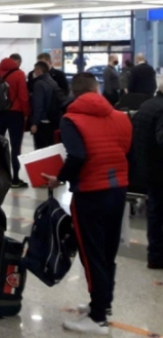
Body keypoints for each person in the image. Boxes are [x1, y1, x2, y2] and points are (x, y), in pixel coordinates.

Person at [43, 73, 131, 335]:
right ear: (97, 89)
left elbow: (77, 156)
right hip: (118, 188)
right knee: (108, 252)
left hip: (91, 193)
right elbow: (126, 149)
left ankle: (97, 318)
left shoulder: (71, 119)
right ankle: (103, 303)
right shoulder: (121, 117)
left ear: (75, 92)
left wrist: (59, 178)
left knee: (92, 255)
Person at [131, 78, 163, 270]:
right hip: (159, 169)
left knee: (155, 213)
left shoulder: (146, 105)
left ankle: (155, 255)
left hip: (146, 169)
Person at [0, 54, 30, 188]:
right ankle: (15, 178)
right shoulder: (19, 74)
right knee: (15, 147)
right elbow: (23, 97)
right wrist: (26, 113)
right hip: (15, 114)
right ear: (16, 62)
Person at [30, 61, 61, 150]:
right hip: (52, 119)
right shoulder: (53, 82)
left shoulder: (39, 84)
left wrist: (35, 123)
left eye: (35, 70)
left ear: (39, 70)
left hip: (42, 120)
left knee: (40, 149)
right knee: (50, 147)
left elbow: (38, 105)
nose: (34, 72)